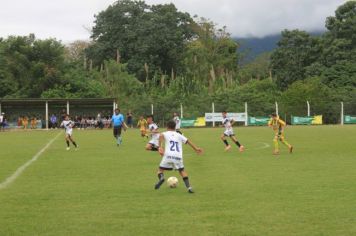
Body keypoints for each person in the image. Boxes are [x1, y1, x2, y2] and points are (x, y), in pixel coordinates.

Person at [155, 120, 203, 193]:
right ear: (175, 127)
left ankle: (161, 178)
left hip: (168, 155)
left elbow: (161, 136)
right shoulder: (179, 135)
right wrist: (196, 148)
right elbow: (188, 141)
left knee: (160, 171)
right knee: (182, 171)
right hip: (178, 156)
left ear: (167, 127)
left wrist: (160, 147)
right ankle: (189, 187)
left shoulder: (165, 133)